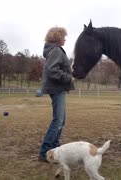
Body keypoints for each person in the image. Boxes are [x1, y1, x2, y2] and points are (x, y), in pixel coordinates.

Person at [38, 26, 75, 162]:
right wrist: (68, 77)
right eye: (63, 37)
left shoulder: (54, 50)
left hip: (58, 89)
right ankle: (44, 152)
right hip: (56, 89)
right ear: (58, 38)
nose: (65, 39)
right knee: (57, 121)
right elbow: (52, 70)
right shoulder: (56, 50)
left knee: (61, 120)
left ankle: (53, 147)